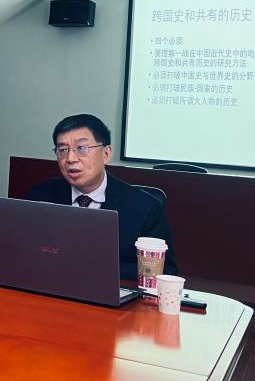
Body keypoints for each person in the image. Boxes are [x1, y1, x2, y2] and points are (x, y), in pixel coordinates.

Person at [26, 113, 177, 279]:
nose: (70, 158)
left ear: (106, 154)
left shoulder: (145, 208)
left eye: (81, 148)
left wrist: (92, 268)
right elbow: (25, 253)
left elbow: (165, 271)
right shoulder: (40, 196)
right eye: (62, 150)